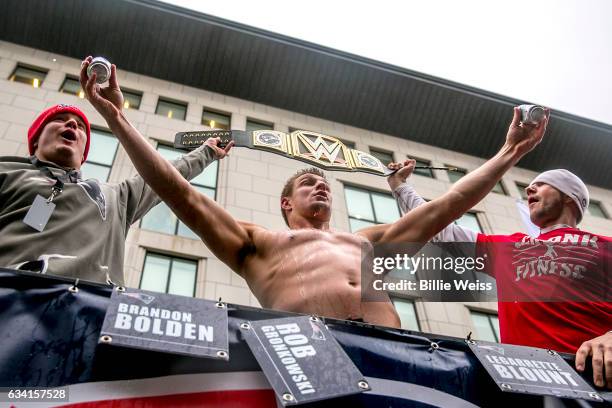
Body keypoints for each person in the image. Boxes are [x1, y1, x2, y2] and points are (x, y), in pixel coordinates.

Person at [81, 55, 549, 328]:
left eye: (324, 181)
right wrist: (117, 119)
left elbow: (447, 206)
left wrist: (508, 153)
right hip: (304, 349)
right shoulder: (258, 244)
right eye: (308, 182)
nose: (320, 184)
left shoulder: (366, 243)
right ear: (286, 204)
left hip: (392, 355)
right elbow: (183, 195)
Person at [387, 161, 612, 388]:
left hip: (596, 381)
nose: (529, 190)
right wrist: (399, 185)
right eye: (531, 186)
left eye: (542, 184)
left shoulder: (606, 246)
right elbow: (436, 226)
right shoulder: (511, 247)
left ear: (569, 197)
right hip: (531, 385)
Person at [0, 90, 231, 286]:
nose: (71, 124)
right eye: (59, 119)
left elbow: (166, 174)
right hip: (13, 301)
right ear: (36, 140)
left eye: (80, 126)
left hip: (91, 318)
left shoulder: (116, 197)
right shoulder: (7, 171)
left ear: (83, 156)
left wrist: (207, 151)